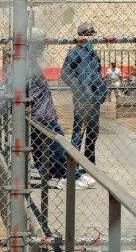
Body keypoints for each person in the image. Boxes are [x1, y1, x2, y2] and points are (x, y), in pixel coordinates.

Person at [26, 28, 95, 190]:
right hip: (41, 115)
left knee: (47, 149)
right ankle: (72, 176)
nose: (44, 48)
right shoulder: (26, 62)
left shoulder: (29, 61)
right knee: (59, 147)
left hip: (43, 113)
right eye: (42, 44)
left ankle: (67, 173)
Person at [61, 22, 108, 165]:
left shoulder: (93, 54)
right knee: (79, 132)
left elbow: (97, 75)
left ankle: (89, 164)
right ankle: (73, 164)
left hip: (94, 99)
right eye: (88, 34)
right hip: (82, 99)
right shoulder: (75, 52)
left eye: (92, 35)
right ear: (81, 36)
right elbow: (65, 74)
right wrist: (79, 89)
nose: (91, 37)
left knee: (93, 133)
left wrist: (101, 91)